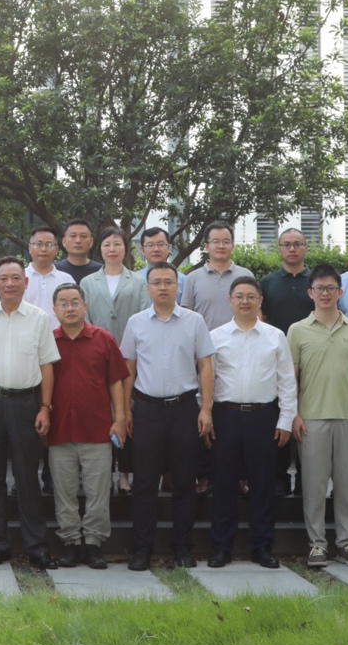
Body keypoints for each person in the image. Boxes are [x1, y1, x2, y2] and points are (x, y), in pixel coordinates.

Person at [120, 262, 215, 571]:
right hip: (146, 410)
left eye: (169, 282)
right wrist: (125, 411)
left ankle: (183, 548)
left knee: (184, 482)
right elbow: (128, 369)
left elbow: (205, 365)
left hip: (184, 409)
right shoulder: (136, 322)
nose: (163, 287)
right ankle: (141, 549)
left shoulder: (194, 321)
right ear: (147, 288)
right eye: (157, 282)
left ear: (178, 286)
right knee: (144, 483)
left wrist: (206, 408)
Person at [0, 256, 60, 570]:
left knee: (26, 476)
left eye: (15, 278)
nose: (9, 284)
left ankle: (36, 546)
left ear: (25, 282)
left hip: (25, 404)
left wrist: (45, 407)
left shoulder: (39, 318)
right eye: (3, 279)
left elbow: (47, 366)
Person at [206, 277, 297, 570]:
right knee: (223, 483)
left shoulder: (275, 336)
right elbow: (207, 379)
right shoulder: (215, 336)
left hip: (263, 416)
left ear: (260, 301)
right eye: (239, 296)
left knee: (263, 483)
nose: (245, 301)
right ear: (230, 300)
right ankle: (222, 547)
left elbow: (287, 380)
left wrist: (285, 419)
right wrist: (205, 413)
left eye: (250, 296)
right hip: (225, 415)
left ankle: (262, 546)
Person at [288, 264, 348, 569]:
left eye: (331, 288)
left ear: (340, 292)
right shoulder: (297, 330)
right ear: (310, 293)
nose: (325, 293)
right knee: (314, 485)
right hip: (311, 419)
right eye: (319, 288)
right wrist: (294, 413)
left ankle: (347, 544)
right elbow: (291, 377)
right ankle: (317, 544)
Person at [49, 284, 129, 570]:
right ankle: (71, 542)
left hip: (97, 429)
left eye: (75, 302)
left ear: (85, 306)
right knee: (64, 490)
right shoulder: (48, 341)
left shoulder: (103, 339)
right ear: (55, 310)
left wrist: (120, 418)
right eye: (63, 303)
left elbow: (116, 381)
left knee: (98, 491)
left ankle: (93, 543)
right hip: (59, 430)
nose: (69, 308)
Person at [181, 221, 252, 496]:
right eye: (215, 241)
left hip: (238, 354)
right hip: (202, 357)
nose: (220, 246)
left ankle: (239, 476)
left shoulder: (245, 274)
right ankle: (204, 475)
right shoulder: (192, 278)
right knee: (204, 412)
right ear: (206, 246)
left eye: (225, 241)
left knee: (237, 415)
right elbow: (186, 316)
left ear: (232, 244)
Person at [80, 227, 149, 497]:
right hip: (96, 357)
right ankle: (103, 474)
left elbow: (144, 316)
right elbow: (84, 319)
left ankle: (124, 474)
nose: (112, 249)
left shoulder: (138, 281)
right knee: (101, 415)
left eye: (117, 244)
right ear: (100, 249)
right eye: (107, 244)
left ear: (125, 248)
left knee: (127, 413)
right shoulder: (88, 282)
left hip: (131, 357)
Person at [259, 227, 315, 497]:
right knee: (279, 416)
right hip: (276, 360)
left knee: (309, 419)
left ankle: (306, 480)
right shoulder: (267, 282)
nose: (292, 249)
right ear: (279, 249)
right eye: (286, 244)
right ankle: (279, 478)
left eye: (297, 244)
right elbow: (262, 321)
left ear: (306, 248)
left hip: (312, 361)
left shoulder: (317, 281)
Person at [22, 225, 74, 330]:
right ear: (30, 248)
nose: (43, 249)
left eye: (49, 244)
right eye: (38, 244)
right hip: (25, 335)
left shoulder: (66, 279)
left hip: (59, 337)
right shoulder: (19, 278)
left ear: (56, 249)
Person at [134, 227, 186, 303]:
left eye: (161, 244)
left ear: (169, 248)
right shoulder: (134, 280)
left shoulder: (184, 281)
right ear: (142, 250)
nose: (156, 249)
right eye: (150, 245)